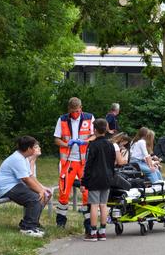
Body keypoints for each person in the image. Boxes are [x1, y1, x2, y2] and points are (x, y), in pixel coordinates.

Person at [0, 136, 51, 237]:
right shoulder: (18, 159)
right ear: (29, 149)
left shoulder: (23, 157)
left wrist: (42, 189)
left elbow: (30, 176)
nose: (36, 148)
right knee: (35, 197)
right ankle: (27, 228)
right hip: (6, 187)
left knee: (44, 194)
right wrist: (40, 191)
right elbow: (26, 179)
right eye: (34, 147)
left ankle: (33, 224)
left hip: (15, 185)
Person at [54, 97, 95, 231]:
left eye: (77, 111)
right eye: (73, 112)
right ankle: (60, 223)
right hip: (68, 161)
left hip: (84, 161)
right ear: (69, 110)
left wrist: (87, 141)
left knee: (87, 193)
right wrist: (67, 144)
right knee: (64, 191)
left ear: (81, 108)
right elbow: (56, 139)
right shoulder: (63, 119)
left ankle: (88, 223)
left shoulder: (89, 118)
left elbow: (95, 135)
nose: (75, 114)